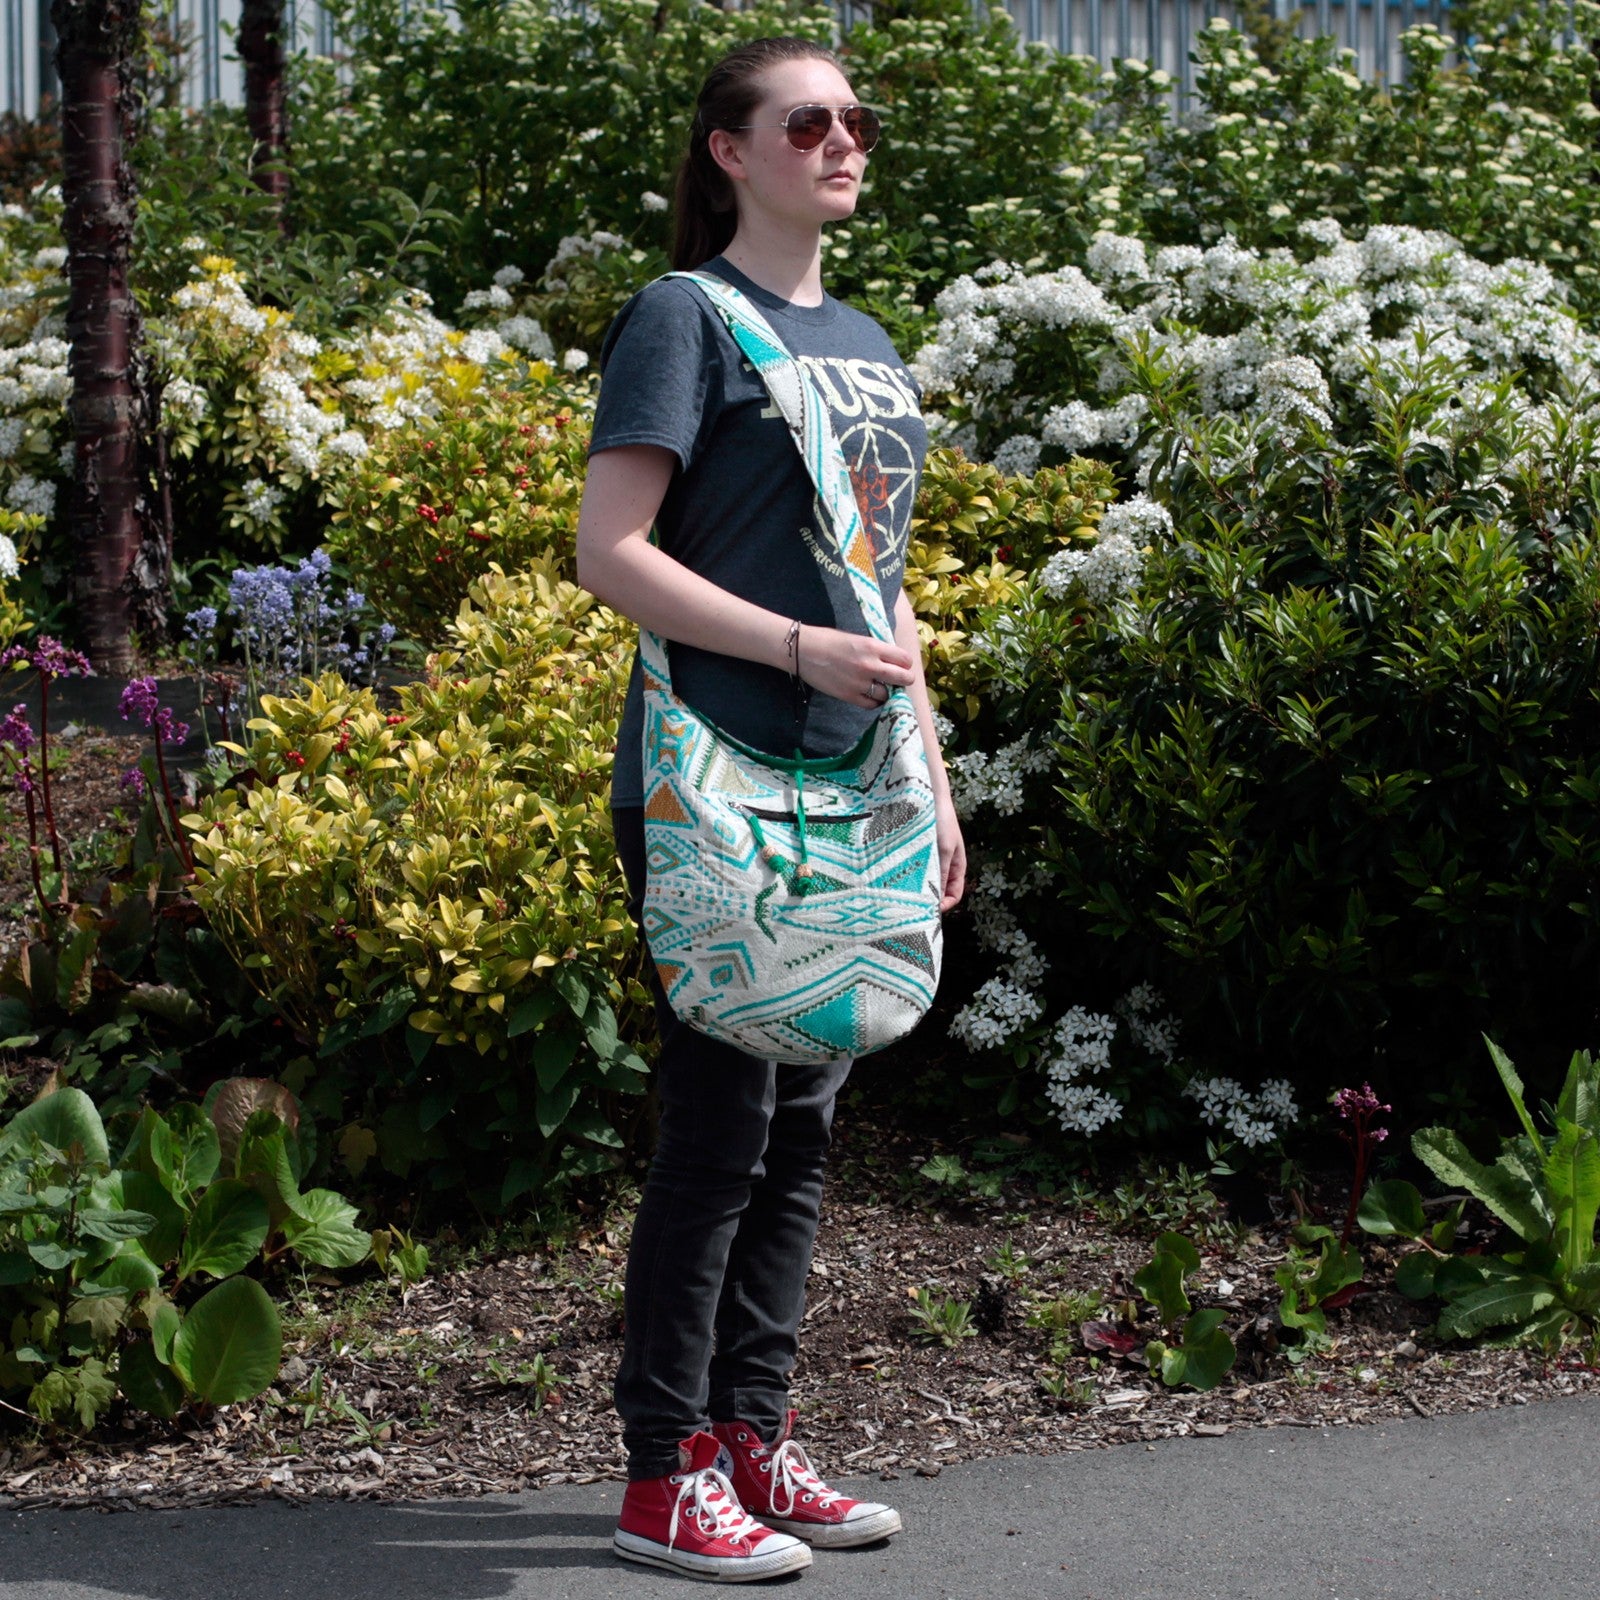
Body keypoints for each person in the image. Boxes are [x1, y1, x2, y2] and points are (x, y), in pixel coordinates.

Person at [575, 34, 966, 1583]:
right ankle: (663, 1472)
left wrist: (929, 771)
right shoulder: (685, 318)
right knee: (719, 1129)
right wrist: (794, 647)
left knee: (803, 1126)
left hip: (854, 776)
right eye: (811, 120)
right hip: (716, 771)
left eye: (858, 119)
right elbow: (610, 551)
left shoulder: (866, 337)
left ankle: (753, 1437)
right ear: (732, 150)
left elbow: (889, 584)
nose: (844, 141)